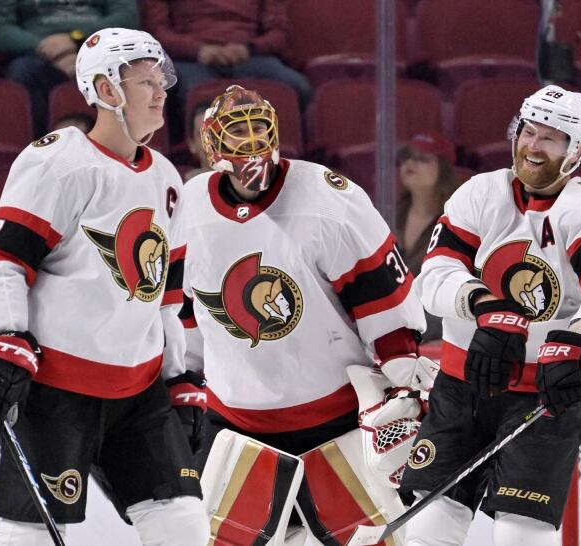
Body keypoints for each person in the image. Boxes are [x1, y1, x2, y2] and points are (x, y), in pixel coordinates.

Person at [0, 28, 208, 546]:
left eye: (162, 77)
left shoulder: (165, 177)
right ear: (107, 89)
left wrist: (179, 376)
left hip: (139, 392)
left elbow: (165, 295)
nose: (162, 89)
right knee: (30, 533)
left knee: (183, 523)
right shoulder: (59, 162)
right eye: (146, 80)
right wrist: (5, 341)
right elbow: (1, 263)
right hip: (57, 388)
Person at [167, 85, 434, 543]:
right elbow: (185, 311)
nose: (249, 145)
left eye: (257, 131)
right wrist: (184, 378)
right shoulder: (188, 206)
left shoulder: (327, 198)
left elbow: (384, 303)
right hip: (236, 425)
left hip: (336, 425)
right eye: (236, 134)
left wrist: (404, 380)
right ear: (211, 147)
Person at [400, 85, 581, 545]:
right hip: (462, 386)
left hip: (545, 393)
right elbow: (434, 273)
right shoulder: (480, 193)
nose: (532, 146)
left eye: (550, 138)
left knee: (519, 535)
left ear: (575, 152)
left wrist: (580, 337)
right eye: (528, 132)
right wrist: (483, 306)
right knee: (428, 528)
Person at [0, 0, 139, 137]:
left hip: (99, 48)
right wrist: (45, 49)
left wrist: (78, 39)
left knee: (147, 70)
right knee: (23, 71)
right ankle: (43, 153)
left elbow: (127, 18)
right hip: (37, 54)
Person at [141, 0, 312, 112]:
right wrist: (198, 51)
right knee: (194, 94)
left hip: (251, 56)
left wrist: (249, 49)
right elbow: (158, 32)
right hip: (192, 60)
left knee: (298, 86)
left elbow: (279, 33)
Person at [395, 132, 461, 342]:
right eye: (407, 156)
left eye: (422, 158)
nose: (411, 162)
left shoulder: (457, 221)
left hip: (433, 327)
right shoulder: (391, 213)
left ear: (443, 170)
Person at [182, 102, 210, 182]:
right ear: (192, 145)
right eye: (203, 134)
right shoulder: (188, 186)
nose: (210, 139)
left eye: (217, 131)